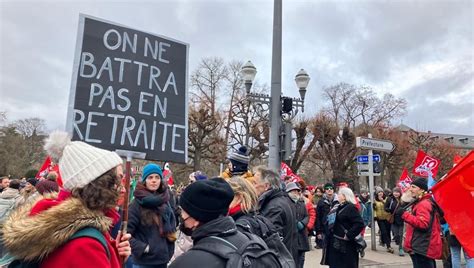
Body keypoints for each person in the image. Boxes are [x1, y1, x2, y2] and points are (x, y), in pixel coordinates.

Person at [2, 131, 131, 267]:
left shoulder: (74, 231)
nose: (123, 189)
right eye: (118, 179)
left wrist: (113, 253)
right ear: (102, 183)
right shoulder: (86, 246)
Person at [169, 177, 249, 268]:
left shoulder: (186, 263)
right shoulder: (249, 242)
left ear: (196, 218)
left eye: (183, 210)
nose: (181, 215)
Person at [127, 163, 176, 268]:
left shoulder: (165, 200)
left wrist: (169, 247)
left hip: (163, 260)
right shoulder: (136, 204)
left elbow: (172, 226)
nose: (154, 180)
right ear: (145, 180)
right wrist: (145, 248)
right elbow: (126, 235)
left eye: (157, 177)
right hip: (143, 263)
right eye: (150, 177)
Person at [253, 165, 298, 264]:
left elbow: (271, 242)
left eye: (254, 183)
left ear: (266, 186)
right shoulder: (278, 201)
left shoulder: (274, 207)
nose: (252, 186)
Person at [395, 177, 442, 268]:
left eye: (413, 187)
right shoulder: (422, 202)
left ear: (421, 189)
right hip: (421, 246)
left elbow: (423, 224)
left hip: (422, 246)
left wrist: (405, 215)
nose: (410, 189)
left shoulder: (423, 204)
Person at [323, 187, 365, 268]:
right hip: (335, 242)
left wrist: (349, 235)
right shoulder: (337, 207)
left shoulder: (351, 208)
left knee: (345, 264)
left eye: (340, 194)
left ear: (345, 196)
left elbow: (359, 224)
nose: (338, 195)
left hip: (346, 244)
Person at [287, 182, 310, 268]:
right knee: (293, 259)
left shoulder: (301, 202)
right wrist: (296, 223)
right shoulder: (287, 203)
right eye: (293, 191)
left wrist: (303, 223)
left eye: (297, 191)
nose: (296, 193)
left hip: (302, 234)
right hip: (292, 235)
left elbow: (307, 215)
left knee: (301, 258)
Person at [315, 183, 339, 250]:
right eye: (327, 188)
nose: (329, 190)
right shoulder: (321, 202)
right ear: (325, 190)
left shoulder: (338, 201)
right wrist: (318, 231)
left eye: (331, 188)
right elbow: (318, 217)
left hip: (337, 229)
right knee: (326, 250)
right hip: (325, 229)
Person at [385, 187, 405, 256]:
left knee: (400, 234)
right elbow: (385, 207)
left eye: (397, 192)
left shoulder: (403, 199)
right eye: (394, 192)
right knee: (396, 235)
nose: (396, 193)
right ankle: (399, 243)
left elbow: (407, 207)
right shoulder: (390, 199)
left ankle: (401, 249)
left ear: (400, 193)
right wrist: (389, 210)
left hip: (402, 219)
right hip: (393, 220)